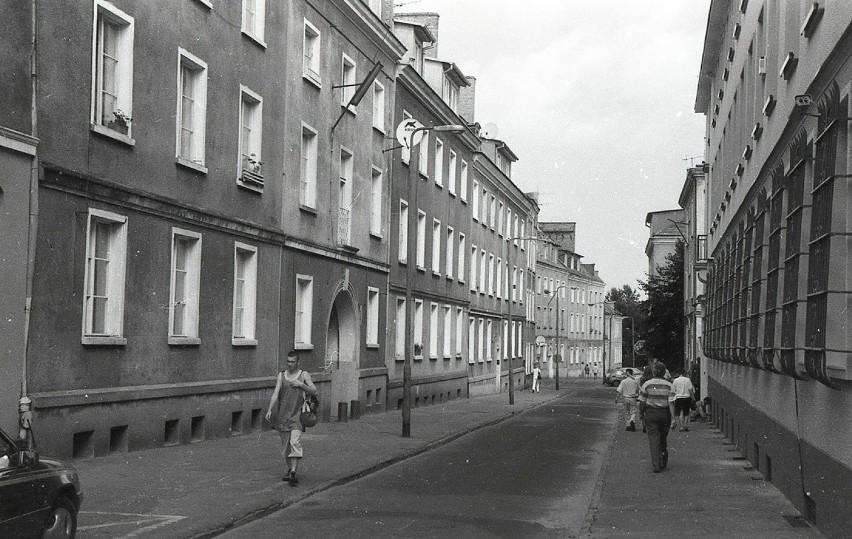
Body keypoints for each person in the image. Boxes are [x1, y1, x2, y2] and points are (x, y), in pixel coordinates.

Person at [266, 350, 318, 486]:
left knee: (295, 442)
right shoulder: (282, 375)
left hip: (298, 415)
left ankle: (294, 472)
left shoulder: (303, 375)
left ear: (297, 362)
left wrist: (301, 385)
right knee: (286, 447)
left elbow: (315, 391)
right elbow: (276, 393)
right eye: (288, 361)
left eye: (292, 362)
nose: (290, 364)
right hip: (283, 416)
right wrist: (270, 409)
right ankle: (290, 469)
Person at [638, 362, 676, 473]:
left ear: (654, 372)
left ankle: (656, 465)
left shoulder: (647, 384)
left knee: (654, 438)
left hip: (651, 413)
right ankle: (663, 461)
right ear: (664, 372)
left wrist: (641, 414)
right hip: (665, 414)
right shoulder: (669, 385)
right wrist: (673, 418)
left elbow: (642, 401)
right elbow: (671, 403)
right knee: (663, 438)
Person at [638, 365, 654, 432]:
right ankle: (649, 424)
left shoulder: (642, 378)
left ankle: (643, 424)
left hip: (643, 395)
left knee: (642, 411)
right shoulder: (652, 379)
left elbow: (640, 387)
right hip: (651, 397)